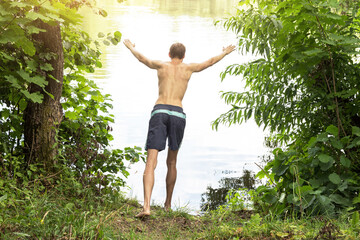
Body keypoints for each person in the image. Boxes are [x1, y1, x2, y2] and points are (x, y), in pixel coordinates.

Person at [123, 39, 235, 217]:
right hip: (177, 113)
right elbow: (210, 62)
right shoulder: (188, 68)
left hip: (159, 111)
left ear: (169, 54)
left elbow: (142, 59)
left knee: (151, 162)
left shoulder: (161, 65)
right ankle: (167, 205)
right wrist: (225, 52)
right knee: (172, 162)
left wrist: (130, 47)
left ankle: (146, 207)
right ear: (183, 56)